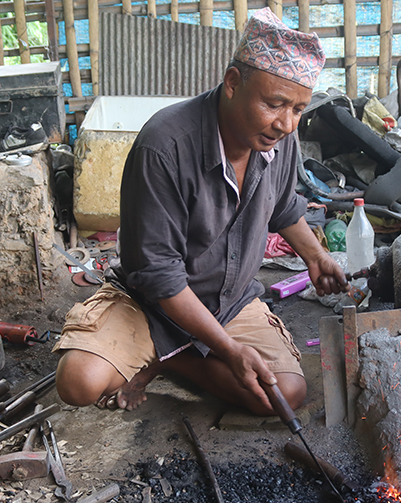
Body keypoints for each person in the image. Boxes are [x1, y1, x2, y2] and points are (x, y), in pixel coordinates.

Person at [54, 8, 348, 416]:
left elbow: (283, 207)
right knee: (78, 381)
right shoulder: (165, 145)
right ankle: (168, 346)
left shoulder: (278, 142)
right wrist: (228, 350)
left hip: (229, 301)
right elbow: (160, 276)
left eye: (297, 110)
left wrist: (316, 257)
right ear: (232, 83)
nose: (285, 124)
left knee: (284, 395)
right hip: (150, 304)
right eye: (274, 104)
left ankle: (172, 358)